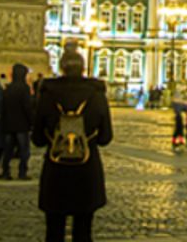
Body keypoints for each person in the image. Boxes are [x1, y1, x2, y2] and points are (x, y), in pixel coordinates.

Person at [34, 46, 113, 242]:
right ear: (83, 68)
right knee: (83, 231)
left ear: (61, 68)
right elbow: (105, 138)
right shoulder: (96, 94)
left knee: (53, 231)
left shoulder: (47, 93)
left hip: (56, 168)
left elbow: (37, 139)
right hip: (86, 169)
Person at [0, 62, 34, 180]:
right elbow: (27, 107)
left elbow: (3, 107)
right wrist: (32, 121)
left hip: (9, 124)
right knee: (24, 151)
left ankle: (5, 172)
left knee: (8, 150)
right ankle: (22, 172)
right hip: (22, 125)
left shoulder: (8, 89)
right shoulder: (24, 89)